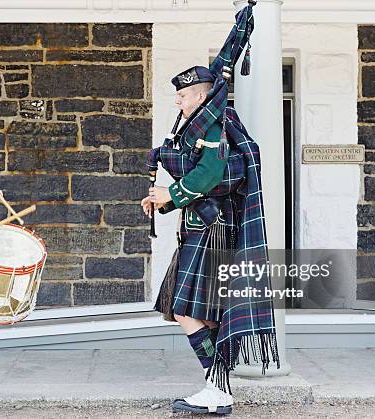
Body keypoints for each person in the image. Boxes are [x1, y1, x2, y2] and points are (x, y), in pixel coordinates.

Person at [141, 3, 279, 415]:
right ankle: (216, 388)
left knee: (185, 308)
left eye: (183, 95)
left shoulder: (214, 125)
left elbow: (210, 174)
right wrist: (163, 195)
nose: (179, 102)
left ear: (201, 95)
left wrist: (172, 195)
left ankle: (217, 390)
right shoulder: (198, 125)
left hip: (213, 230)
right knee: (198, 311)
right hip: (201, 229)